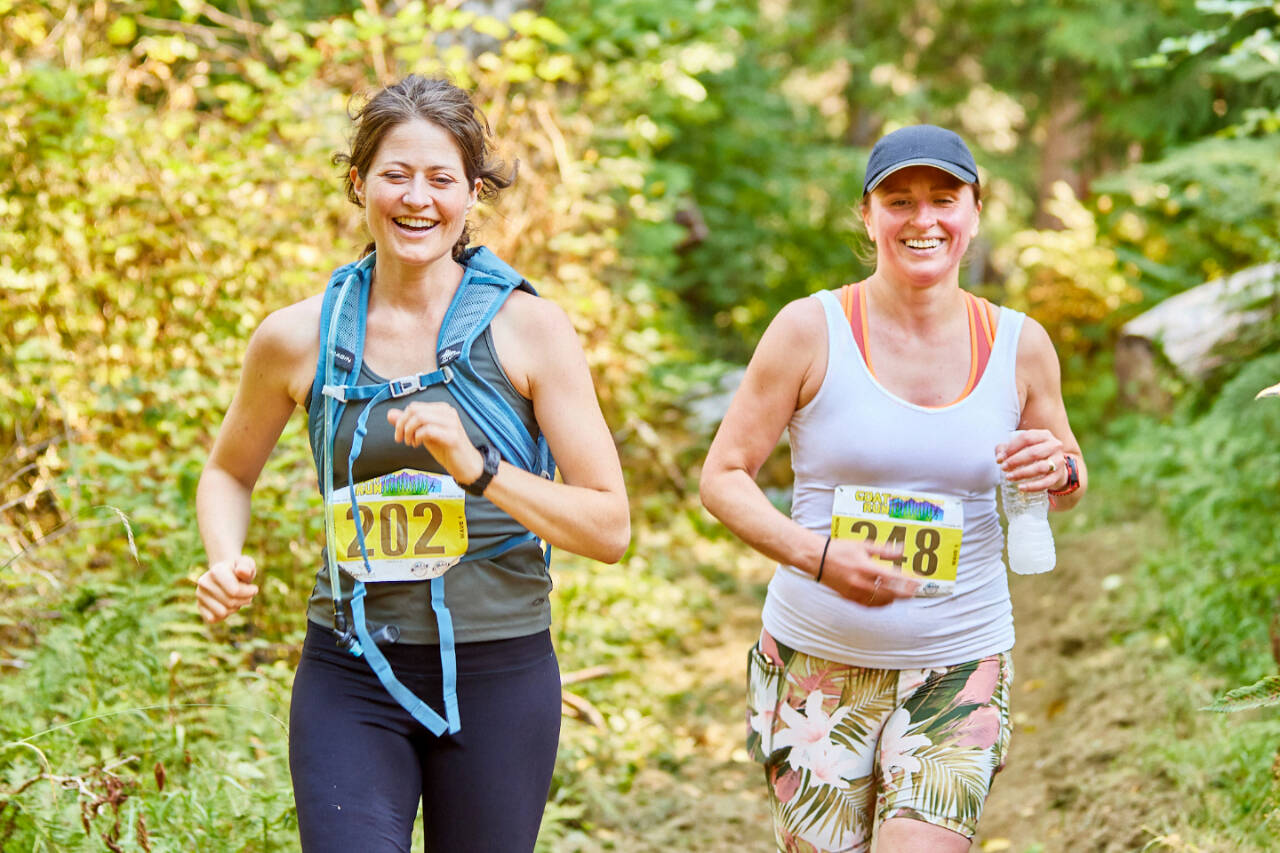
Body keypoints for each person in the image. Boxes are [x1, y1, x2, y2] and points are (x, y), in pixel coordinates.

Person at [194, 75, 629, 852]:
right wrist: (224, 557)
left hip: (499, 674)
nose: (416, 198)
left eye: (441, 178)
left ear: (472, 195)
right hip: (350, 670)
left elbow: (608, 524)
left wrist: (481, 467)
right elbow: (229, 471)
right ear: (360, 183)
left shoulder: (530, 330)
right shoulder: (297, 337)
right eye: (395, 175)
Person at [699, 124, 1086, 853]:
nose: (923, 219)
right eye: (899, 200)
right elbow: (722, 478)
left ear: (974, 212)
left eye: (945, 198)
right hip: (817, 664)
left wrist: (1060, 469)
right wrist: (819, 556)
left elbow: (1066, 472)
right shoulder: (808, 330)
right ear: (868, 215)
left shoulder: (1019, 343)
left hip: (959, 661)